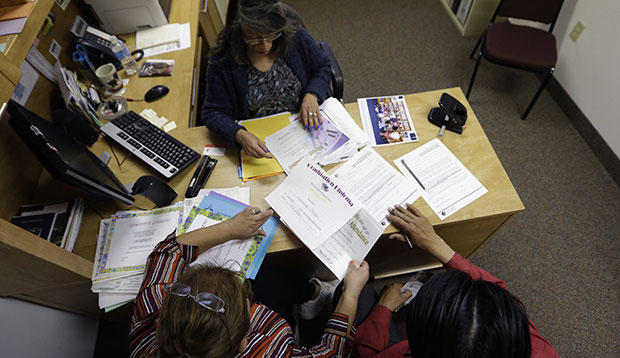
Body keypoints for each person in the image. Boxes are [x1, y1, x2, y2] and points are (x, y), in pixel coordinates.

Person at [128, 206, 370, 358]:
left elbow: (169, 252)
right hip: (281, 332)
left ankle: (312, 294)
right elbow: (331, 351)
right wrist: (351, 294)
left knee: (269, 278)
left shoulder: (153, 306)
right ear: (245, 339)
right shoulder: (273, 351)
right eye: (248, 303)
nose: (251, 301)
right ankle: (314, 300)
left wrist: (230, 229)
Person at [352, 204, 559, 358]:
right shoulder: (541, 353)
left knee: (355, 291)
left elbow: (367, 352)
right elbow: (499, 296)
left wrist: (383, 309)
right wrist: (437, 246)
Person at [202, 0, 332, 158]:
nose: (265, 46)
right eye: (254, 39)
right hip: (261, 143)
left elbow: (322, 66)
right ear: (239, 31)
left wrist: (312, 94)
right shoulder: (223, 61)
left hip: (303, 129)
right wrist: (239, 135)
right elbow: (213, 112)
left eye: (271, 34)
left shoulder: (293, 35)